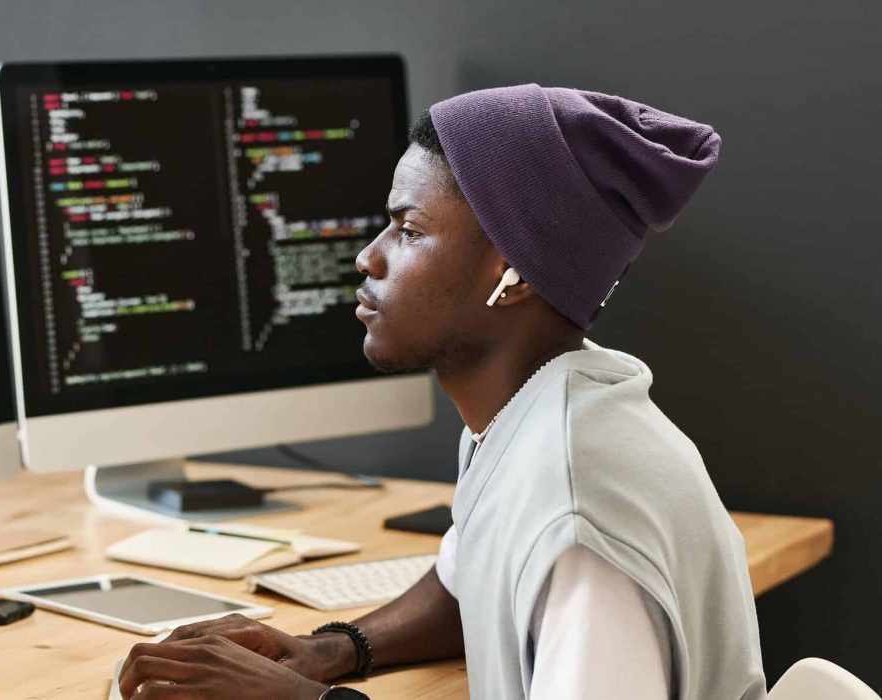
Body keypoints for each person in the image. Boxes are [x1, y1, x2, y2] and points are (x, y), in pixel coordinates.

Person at [117, 84, 767, 700]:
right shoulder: (538, 408)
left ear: (512, 274)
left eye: (409, 229)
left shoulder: (576, 522)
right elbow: (467, 582)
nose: (368, 258)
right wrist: (330, 650)